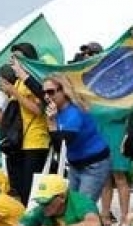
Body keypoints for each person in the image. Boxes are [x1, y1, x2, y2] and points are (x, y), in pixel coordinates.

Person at [39, 73, 112, 202]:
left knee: (83, 207)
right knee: (72, 207)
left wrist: (51, 123)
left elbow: (62, 145)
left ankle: (96, 221)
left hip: (94, 163)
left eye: (50, 92)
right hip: (75, 165)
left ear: (63, 91)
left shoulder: (74, 112)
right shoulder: (57, 110)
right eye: (44, 92)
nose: (46, 96)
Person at [0, 43, 49, 204]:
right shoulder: (18, 81)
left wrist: (15, 93)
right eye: (12, 58)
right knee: (18, 188)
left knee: (30, 190)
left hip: (34, 141)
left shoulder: (35, 80)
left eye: (18, 57)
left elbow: (38, 110)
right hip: (18, 143)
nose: (14, 61)